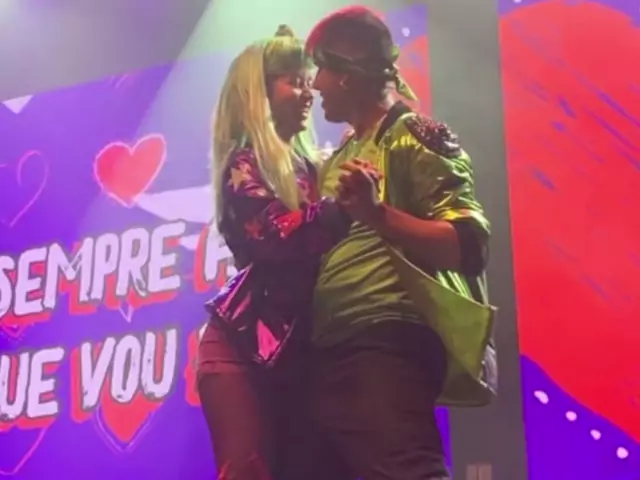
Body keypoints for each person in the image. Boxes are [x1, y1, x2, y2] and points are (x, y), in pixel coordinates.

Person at [300, 6, 497, 480]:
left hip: (385, 341)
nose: (315, 84)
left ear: (347, 72)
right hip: (332, 350)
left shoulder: (413, 134)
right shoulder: (341, 153)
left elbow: (468, 245)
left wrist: (377, 215)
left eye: (320, 69)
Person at [196, 25, 356, 480]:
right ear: (259, 94)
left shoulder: (315, 167)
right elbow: (276, 239)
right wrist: (344, 208)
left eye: (309, 81)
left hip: (299, 355)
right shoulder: (245, 164)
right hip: (240, 350)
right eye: (294, 81)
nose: (309, 93)